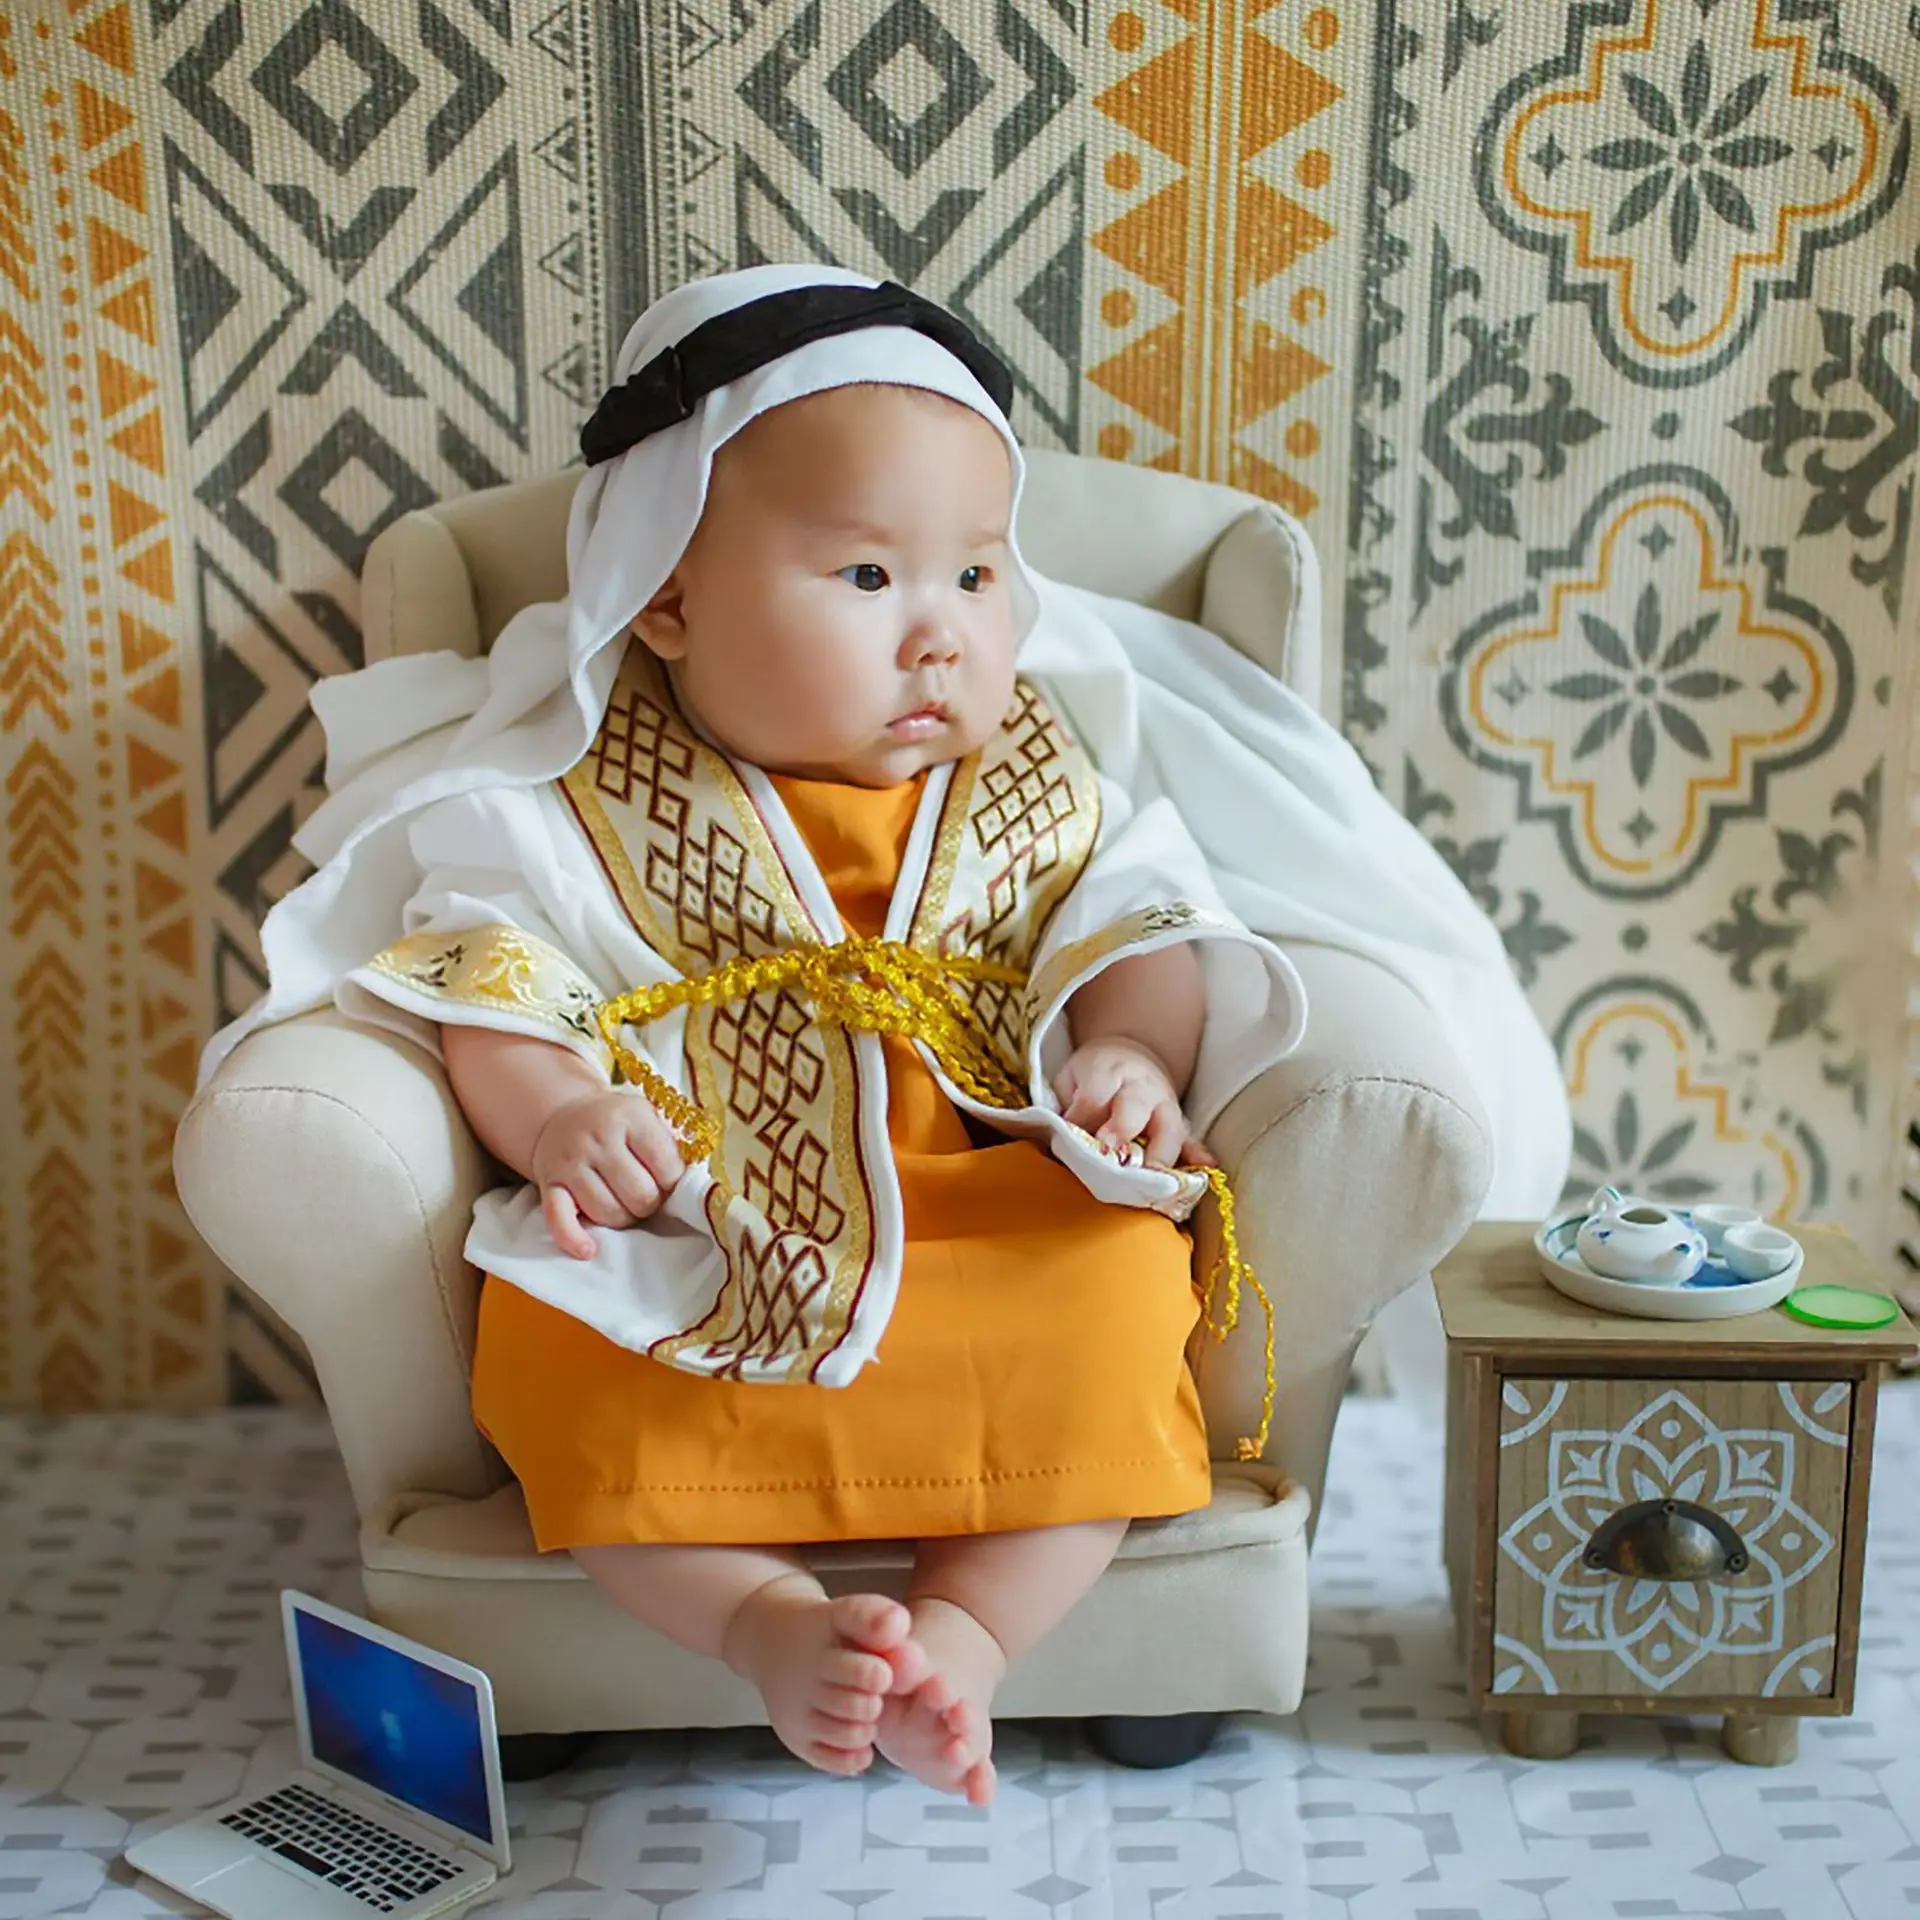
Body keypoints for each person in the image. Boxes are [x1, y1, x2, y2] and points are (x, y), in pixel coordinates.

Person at [196, 266, 1570, 1810]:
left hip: (989, 1185)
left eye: (977, 578)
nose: (939, 638)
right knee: (562, 1345)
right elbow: (488, 988)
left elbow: (1147, 923)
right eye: (865, 579)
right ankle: (769, 1623)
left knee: (1120, 1307)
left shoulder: (1038, 779)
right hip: (701, 1209)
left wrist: (1128, 1053)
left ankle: (969, 1638)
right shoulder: (569, 796)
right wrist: (556, 1118)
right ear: (667, 594)